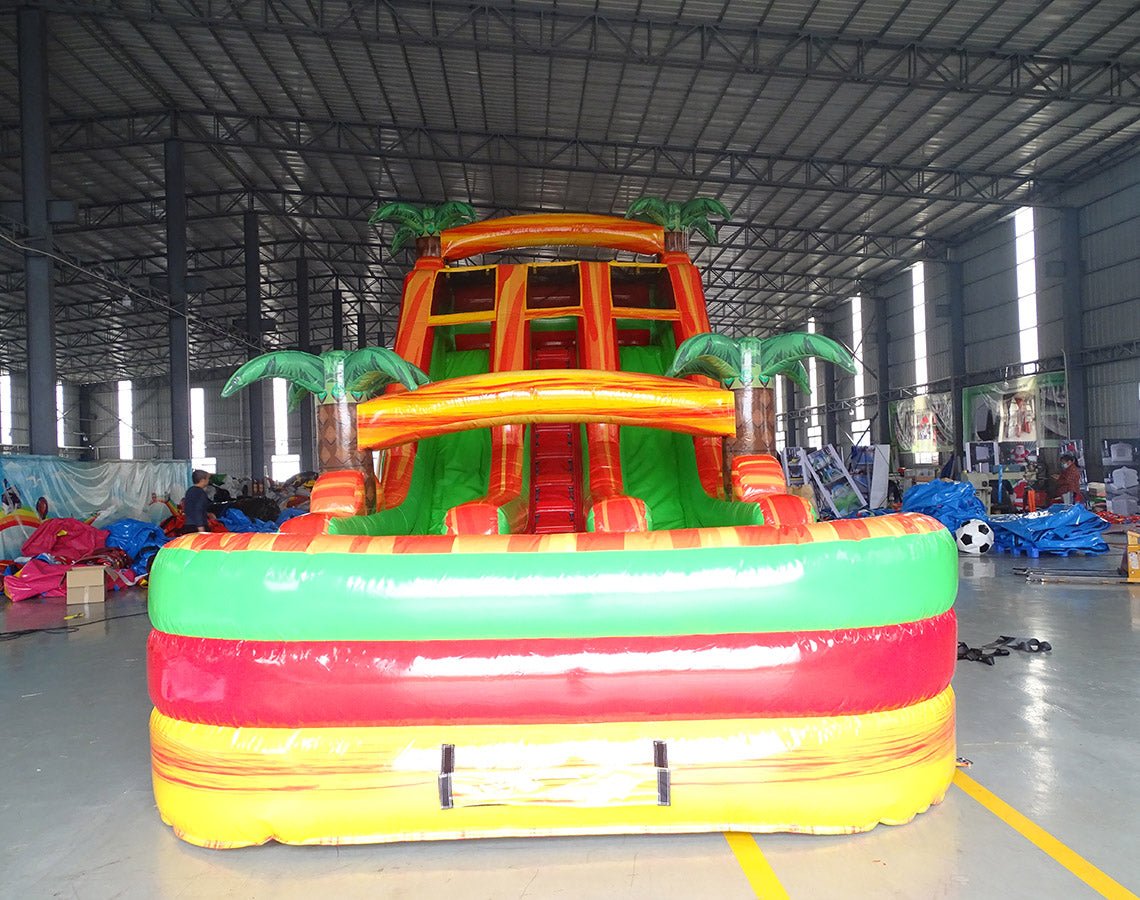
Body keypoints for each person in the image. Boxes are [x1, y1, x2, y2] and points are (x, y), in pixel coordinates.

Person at [182, 469, 212, 534]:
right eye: (208, 479)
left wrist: (207, 514)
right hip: (197, 527)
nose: (208, 481)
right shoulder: (201, 493)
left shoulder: (189, 491)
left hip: (188, 525)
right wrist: (201, 528)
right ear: (202, 481)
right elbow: (198, 510)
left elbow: (189, 508)